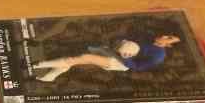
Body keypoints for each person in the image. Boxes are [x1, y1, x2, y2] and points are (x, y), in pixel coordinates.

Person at [32, 34, 181, 82]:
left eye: (169, 38)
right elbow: (126, 43)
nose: (164, 36)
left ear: (169, 45)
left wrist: (125, 57)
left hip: (121, 63)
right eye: (166, 34)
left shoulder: (158, 56)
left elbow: (138, 67)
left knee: (84, 57)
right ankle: (51, 75)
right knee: (80, 56)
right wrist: (121, 43)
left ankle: (39, 64)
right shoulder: (148, 38)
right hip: (115, 52)